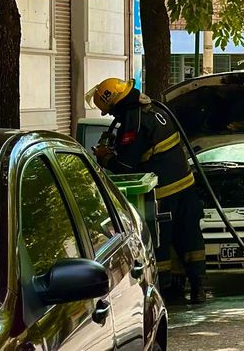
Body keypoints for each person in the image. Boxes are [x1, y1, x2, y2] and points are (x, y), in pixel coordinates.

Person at [87, 78, 207, 304]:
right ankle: (199, 287)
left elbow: (125, 166)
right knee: (190, 238)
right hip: (187, 188)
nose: (112, 117)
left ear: (115, 103)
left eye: (110, 111)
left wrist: (106, 158)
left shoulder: (134, 121)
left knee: (161, 243)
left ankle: (168, 293)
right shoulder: (154, 109)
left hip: (163, 193)